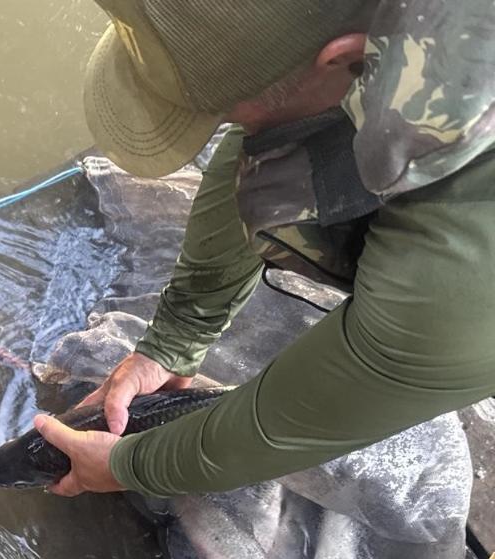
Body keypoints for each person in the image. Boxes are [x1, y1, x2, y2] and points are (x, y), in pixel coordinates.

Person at [34, 0, 495, 506]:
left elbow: (299, 418)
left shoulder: (459, 258)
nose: (222, 128)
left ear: (348, 58)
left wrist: (128, 465)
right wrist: (172, 342)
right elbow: (266, 149)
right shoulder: (373, 37)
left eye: (222, 112)